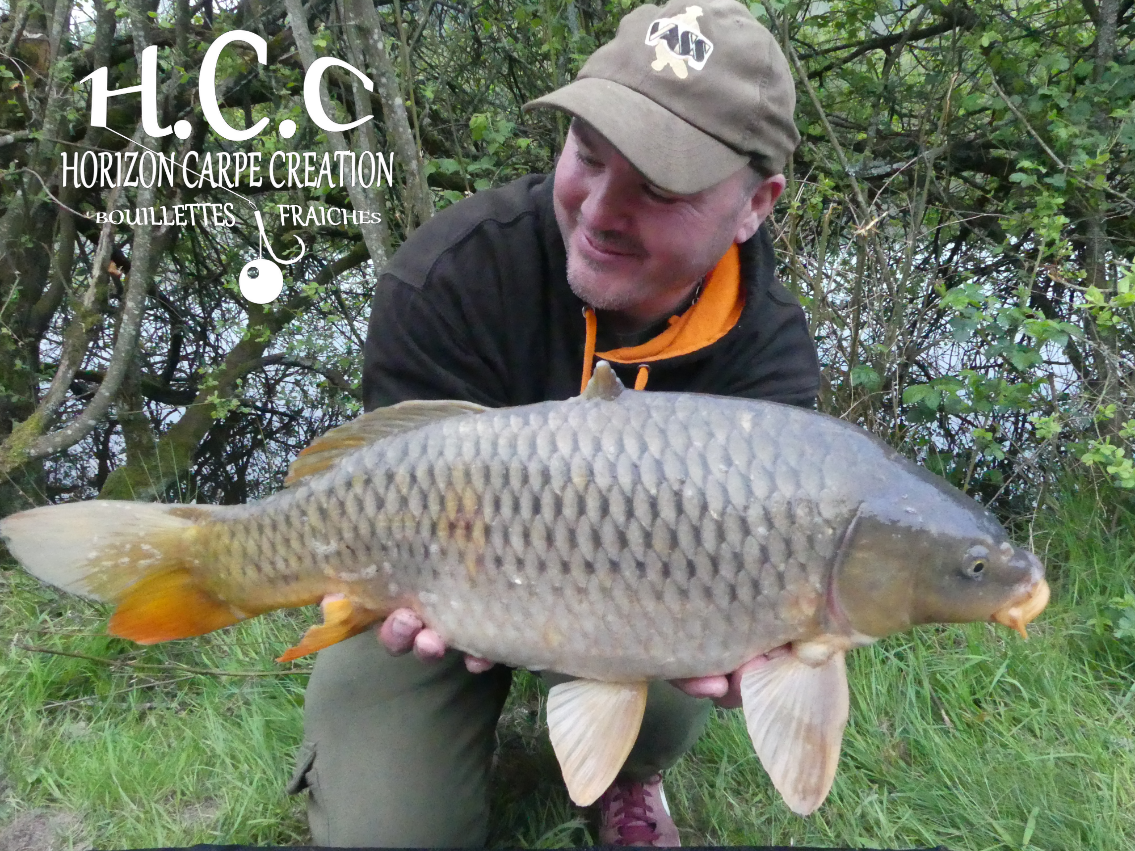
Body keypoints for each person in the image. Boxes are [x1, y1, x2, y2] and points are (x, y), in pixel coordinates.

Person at [286, 0, 821, 845]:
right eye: (587, 155)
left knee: (701, 651)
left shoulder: (766, 360)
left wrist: (766, 637)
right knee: (389, 833)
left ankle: (622, 769)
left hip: (634, 611)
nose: (602, 210)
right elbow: (382, 493)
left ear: (755, 203)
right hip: (438, 581)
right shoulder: (449, 274)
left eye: (658, 187)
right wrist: (400, 586)